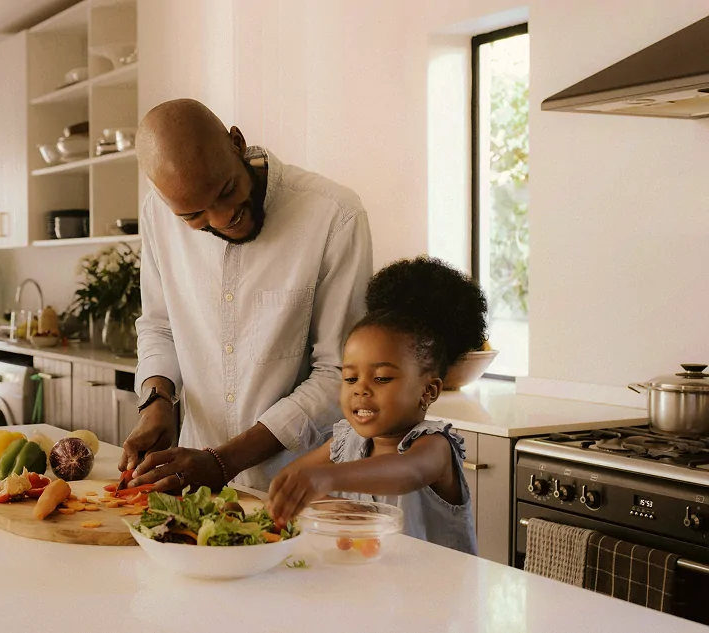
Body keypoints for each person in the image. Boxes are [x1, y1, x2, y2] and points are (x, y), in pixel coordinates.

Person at [121, 98, 373, 493]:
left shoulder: (334, 215)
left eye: (227, 190)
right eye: (194, 216)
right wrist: (157, 401)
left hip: (303, 490)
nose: (223, 218)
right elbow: (160, 326)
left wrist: (223, 461)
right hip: (192, 487)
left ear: (237, 143)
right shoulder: (157, 215)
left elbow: (340, 373)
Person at [266, 256, 486, 554]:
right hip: (375, 591)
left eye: (382, 378)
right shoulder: (347, 442)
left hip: (438, 596)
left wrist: (326, 477)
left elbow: (408, 472)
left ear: (428, 390)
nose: (361, 390)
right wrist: (335, 506)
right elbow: (290, 481)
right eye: (350, 378)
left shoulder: (435, 447)